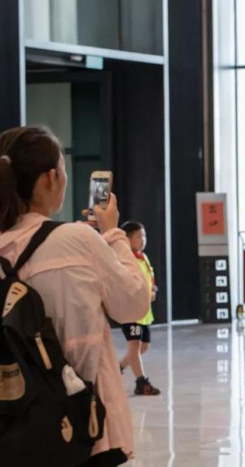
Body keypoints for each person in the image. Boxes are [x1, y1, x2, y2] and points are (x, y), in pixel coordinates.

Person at [0, 125, 150, 466]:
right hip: (82, 422)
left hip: (12, 425)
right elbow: (133, 303)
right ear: (50, 179)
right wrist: (112, 233)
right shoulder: (76, 240)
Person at [118, 221, 161, 396]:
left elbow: (149, 276)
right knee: (134, 345)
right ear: (127, 240)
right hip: (130, 310)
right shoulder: (124, 260)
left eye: (144, 236)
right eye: (138, 237)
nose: (143, 240)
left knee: (144, 347)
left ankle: (118, 367)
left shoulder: (143, 257)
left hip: (144, 311)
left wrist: (153, 289)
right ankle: (141, 382)